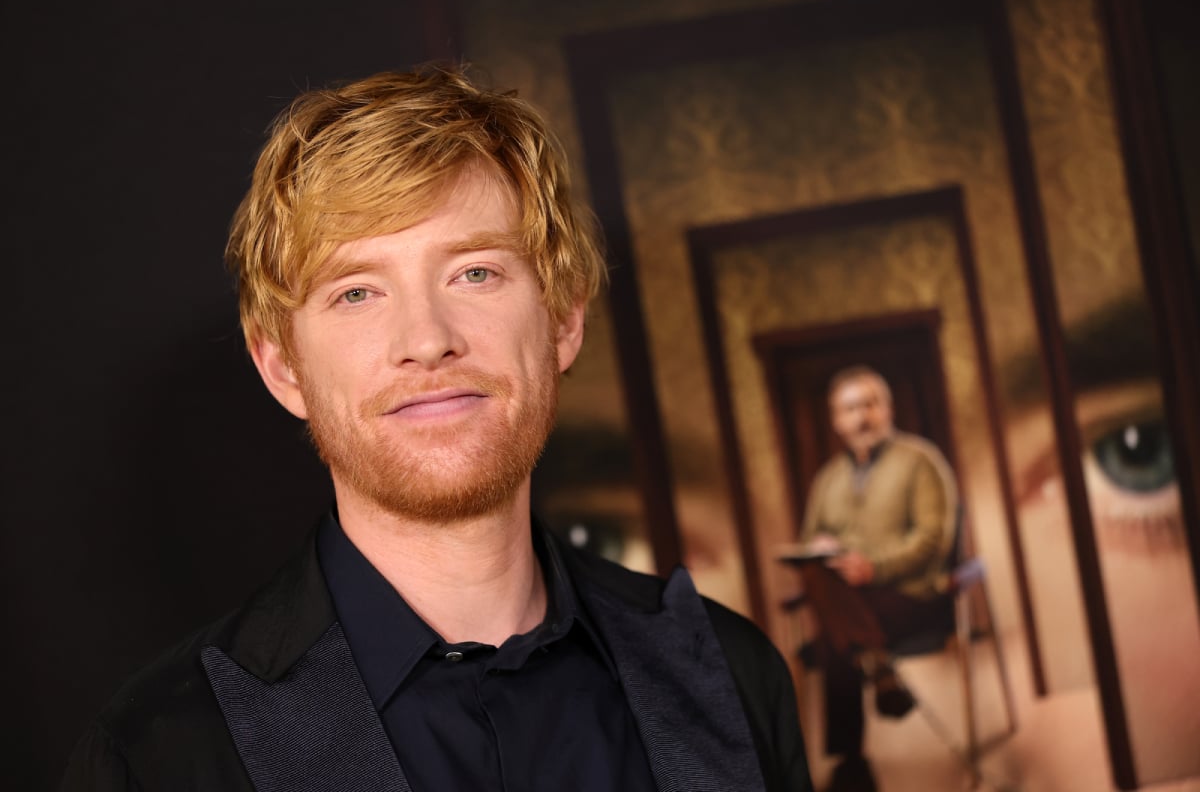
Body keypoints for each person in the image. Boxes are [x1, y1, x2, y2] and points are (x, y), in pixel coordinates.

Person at [59, 66, 811, 792]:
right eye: (357, 292)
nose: (426, 338)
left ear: (563, 320)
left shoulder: (730, 673)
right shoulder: (156, 756)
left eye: (474, 273)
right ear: (283, 367)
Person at [795, 365, 957, 774]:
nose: (861, 416)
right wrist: (821, 547)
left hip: (913, 595)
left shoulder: (921, 460)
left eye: (870, 404)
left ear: (888, 408)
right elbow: (808, 539)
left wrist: (874, 569)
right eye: (850, 408)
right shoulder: (827, 479)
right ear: (836, 420)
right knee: (820, 581)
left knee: (832, 643)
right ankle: (878, 664)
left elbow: (933, 540)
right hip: (852, 600)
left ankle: (851, 766)